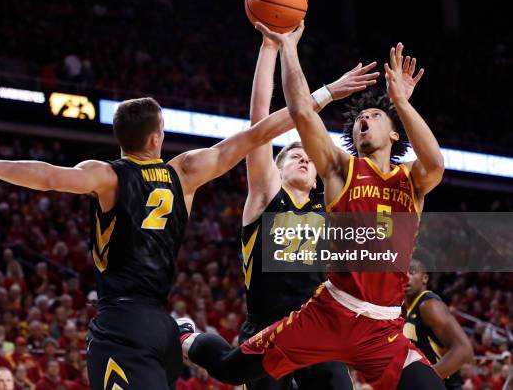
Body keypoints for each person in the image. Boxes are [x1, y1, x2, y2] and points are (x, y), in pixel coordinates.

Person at [0, 95, 296, 389]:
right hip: (160, 324)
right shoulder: (184, 172)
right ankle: (186, 336)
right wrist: (318, 99)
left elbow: (47, 177)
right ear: (156, 138)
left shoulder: (106, 176)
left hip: (121, 325)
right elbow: (256, 134)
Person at [179, 24, 447, 390]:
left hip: (380, 325)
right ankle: (188, 337)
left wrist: (400, 101)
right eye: (357, 120)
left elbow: (435, 165)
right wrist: (286, 47)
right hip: (316, 317)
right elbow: (296, 115)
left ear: (395, 133)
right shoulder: (328, 175)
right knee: (230, 369)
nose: (362, 120)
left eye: (374, 116)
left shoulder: (407, 182)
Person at [232, 26, 378, 389]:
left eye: (307, 158)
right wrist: (270, 49)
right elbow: (259, 123)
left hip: (317, 327)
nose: (303, 159)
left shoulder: (326, 204)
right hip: (266, 325)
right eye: (293, 156)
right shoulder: (266, 195)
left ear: (316, 177)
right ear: (277, 170)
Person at [404, 259, 473, 389]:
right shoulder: (404, 309)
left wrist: (426, 382)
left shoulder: (429, 305)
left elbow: (464, 350)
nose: (406, 276)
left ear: (425, 278)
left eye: (412, 272)